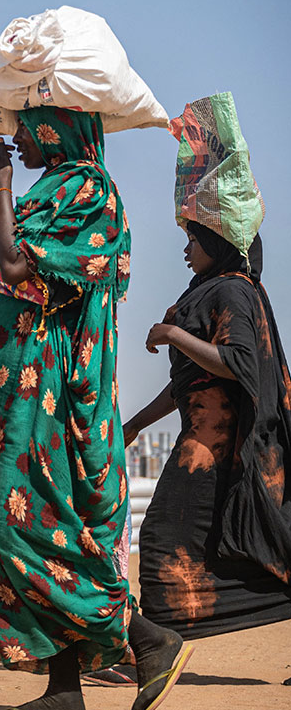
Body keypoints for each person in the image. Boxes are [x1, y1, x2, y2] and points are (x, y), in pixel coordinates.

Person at [0, 108, 191, 710]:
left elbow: (18, 268)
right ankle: (64, 692)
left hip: (43, 390)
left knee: (26, 523)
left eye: (26, 126)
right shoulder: (65, 186)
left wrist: (1, 188)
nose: (15, 138)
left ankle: (146, 639)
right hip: (23, 384)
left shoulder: (86, 189)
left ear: (56, 129)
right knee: (50, 517)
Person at [126, 222, 291, 636]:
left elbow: (237, 362)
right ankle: (156, 644)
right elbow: (190, 382)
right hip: (203, 442)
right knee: (239, 548)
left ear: (219, 244)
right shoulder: (213, 287)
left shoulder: (232, 289)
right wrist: (136, 424)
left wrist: (174, 334)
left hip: (218, 448)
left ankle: (154, 646)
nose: (186, 250)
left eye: (194, 241)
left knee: (163, 537)